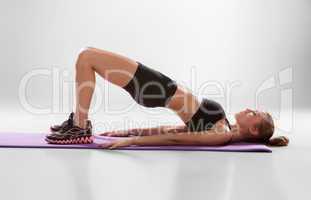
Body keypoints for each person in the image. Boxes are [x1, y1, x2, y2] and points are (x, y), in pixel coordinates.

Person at [45, 47, 289, 148]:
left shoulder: (222, 135)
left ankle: (79, 126)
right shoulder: (223, 127)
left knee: (87, 57)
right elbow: (172, 127)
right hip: (158, 86)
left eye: (253, 114)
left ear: (254, 130)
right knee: (87, 57)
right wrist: (130, 132)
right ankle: (79, 124)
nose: (249, 109)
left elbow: (174, 138)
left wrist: (132, 142)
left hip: (156, 88)